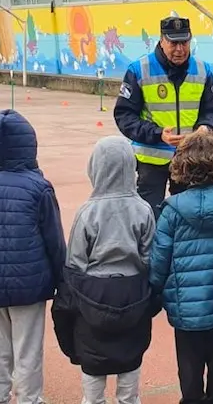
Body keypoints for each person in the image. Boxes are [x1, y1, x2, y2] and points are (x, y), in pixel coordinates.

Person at [0, 109, 66, 404]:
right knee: (28, 349)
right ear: (29, 146)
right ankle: (30, 399)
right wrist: (62, 278)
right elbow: (54, 241)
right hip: (30, 286)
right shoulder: (39, 188)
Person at [51, 136, 159, 404]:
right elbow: (150, 258)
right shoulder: (143, 209)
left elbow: (75, 262)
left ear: (95, 168)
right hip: (133, 296)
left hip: (93, 299)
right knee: (130, 367)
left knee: (93, 370)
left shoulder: (88, 212)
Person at [149, 132, 213, 404]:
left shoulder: (172, 210)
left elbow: (160, 260)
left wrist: (156, 292)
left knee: (190, 379)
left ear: (183, 166)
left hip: (186, 310)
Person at [114, 16, 213, 218]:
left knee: (189, 216)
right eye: (173, 43)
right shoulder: (139, 69)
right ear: (162, 40)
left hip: (190, 158)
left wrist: (205, 127)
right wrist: (157, 134)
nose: (179, 49)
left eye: (184, 42)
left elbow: (211, 108)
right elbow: (124, 116)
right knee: (149, 216)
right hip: (151, 160)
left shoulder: (202, 70)